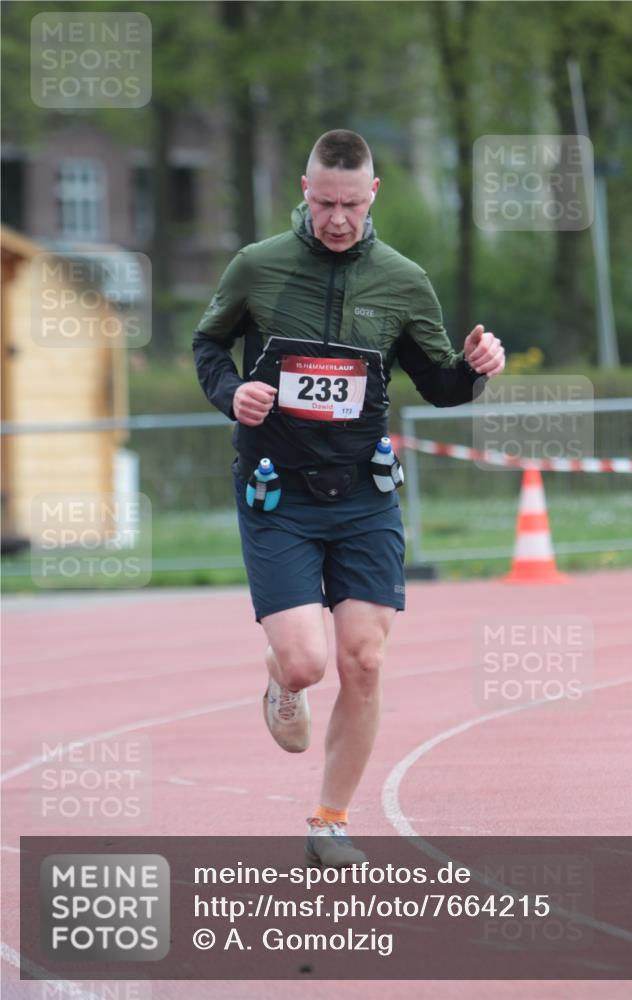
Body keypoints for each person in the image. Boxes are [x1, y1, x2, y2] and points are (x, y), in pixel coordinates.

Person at [193, 129, 505, 868]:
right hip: (278, 494)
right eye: (325, 202)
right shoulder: (258, 267)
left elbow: (439, 385)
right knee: (307, 663)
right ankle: (280, 678)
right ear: (304, 190)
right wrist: (232, 391)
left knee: (362, 660)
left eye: (351, 205)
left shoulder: (402, 281)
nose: (337, 219)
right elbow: (208, 346)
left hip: (363, 495)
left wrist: (475, 369)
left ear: (373, 197)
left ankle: (329, 820)